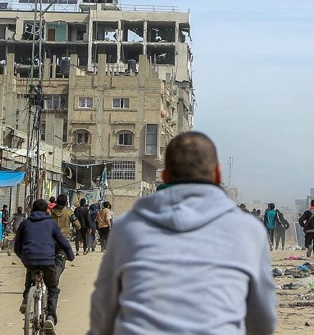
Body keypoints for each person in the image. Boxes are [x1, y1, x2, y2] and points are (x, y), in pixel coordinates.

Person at [86, 131, 277, 335]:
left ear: (165, 176)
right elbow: (262, 321)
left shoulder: (128, 227)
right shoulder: (248, 230)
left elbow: (103, 315)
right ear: (218, 174)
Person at [15, 198, 76, 332]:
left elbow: (16, 247)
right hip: (47, 261)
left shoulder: (25, 224)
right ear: (47, 210)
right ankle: (50, 317)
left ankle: (26, 298)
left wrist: (24, 258)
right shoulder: (51, 223)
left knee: (30, 272)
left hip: (29, 259)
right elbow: (63, 243)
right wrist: (71, 256)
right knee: (53, 289)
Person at [49, 195, 75, 281]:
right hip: (63, 240)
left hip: (51, 239)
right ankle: (54, 280)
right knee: (60, 263)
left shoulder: (50, 212)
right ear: (66, 202)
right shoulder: (69, 212)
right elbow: (77, 225)